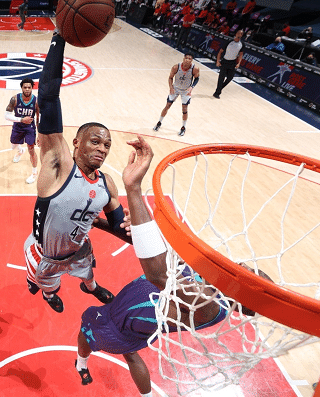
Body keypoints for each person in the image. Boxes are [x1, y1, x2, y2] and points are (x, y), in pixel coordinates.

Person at [74, 136, 273, 394]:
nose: (237, 264)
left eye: (243, 271)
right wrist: (101, 223)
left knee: (89, 332)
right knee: (131, 353)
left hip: (122, 322)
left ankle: (81, 362)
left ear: (239, 293)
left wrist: (133, 188)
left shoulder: (209, 306)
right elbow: (156, 253)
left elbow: (158, 273)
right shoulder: (210, 276)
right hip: (132, 312)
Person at [23, 30, 133, 313]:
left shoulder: (107, 184)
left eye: (107, 145)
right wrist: (59, 37)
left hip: (80, 248)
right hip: (46, 255)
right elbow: (48, 98)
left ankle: (90, 287)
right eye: (95, 141)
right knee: (48, 286)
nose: (102, 148)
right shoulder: (58, 165)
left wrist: (139, 232)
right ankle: (49, 295)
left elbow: (119, 228)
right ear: (76, 143)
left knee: (88, 272)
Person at [154, 53, 200, 137]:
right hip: (176, 88)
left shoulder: (195, 69)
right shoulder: (176, 67)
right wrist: (171, 88)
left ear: (192, 60)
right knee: (167, 106)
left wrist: (191, 87)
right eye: (186, 58)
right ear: (183, 58)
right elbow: (170, 77)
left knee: (184, 109)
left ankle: (183, 127)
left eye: (189, 59)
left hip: (186, 91)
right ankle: (159, 122)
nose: (187, 60)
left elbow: (197, 78)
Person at [5, 78, 40, 184]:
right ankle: (20, 151)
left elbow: (38, 119)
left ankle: (34, 173)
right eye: (25, 87)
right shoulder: (14, 99)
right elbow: (6, 115)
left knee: (31, 149)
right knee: (13, 145)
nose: (27, 89)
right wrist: (21, 119)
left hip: (30, 128)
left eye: (29, 87)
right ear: (22, 88)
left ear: (32, 88)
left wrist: (40, 134)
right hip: (18, 126)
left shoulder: (36, 101)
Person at [213, 29, 244, 99]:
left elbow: (241, 54)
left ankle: (219, 88)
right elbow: (220, 52)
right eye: (238, 33)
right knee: (221, 78)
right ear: (236, 34)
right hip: (225, 61)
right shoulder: (229, 42)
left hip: (232, 62)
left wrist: (239, 63)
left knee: (230, 78)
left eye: (241, 34)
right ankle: (217, 93)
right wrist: (218, 61)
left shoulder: (242, 44)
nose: (239, 35)